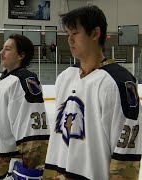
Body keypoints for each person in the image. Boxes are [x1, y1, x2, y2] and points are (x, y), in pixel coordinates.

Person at [44, 5, 141, 179]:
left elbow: (125, 152)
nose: (69, 40)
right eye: (68, 34)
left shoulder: (118, 82)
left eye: (75, 34)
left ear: (95, 34)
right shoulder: (65, 77)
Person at [0, 34, 50, 179]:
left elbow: (32, 135)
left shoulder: (23, 81)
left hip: (6, 169)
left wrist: (31, 170)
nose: (1, 52)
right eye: (2, 48)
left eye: (8, 49)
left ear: (21, 55)